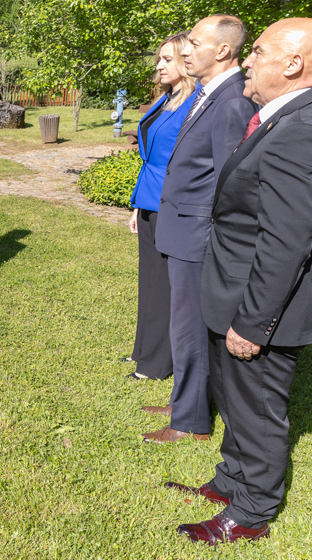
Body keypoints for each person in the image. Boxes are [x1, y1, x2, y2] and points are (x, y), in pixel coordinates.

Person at [170, 18, 312, 545]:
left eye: (259, 51)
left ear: (292, 64)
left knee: (258, 411)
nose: (248, 59)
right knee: (235, 401)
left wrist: (253, 322)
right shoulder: (278, 118)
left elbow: (286, 242)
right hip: (233, 293)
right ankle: (231, 480)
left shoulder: (304, 130)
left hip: (260, 306)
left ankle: (251, 513)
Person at [142, 15, 253, 444]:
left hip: (196, 235)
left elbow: (232, 182)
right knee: (183, 326)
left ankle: (190, 421)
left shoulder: (232, 100)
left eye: (193, 43)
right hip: (181, 228)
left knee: (190, 328)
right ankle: (184, 401)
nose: (185, 51)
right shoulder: (211, 93)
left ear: (222, 50)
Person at [126, 33, 199, 381]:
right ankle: (144, 349)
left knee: (163, 285)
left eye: (167, 59)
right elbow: (152, 156)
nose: (159, 65)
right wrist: (137, 205)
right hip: (150, 199)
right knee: (150, 281)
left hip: (172, 202)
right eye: (159, 59)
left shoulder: (196, 103)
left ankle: (156, 364)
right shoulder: (166, 98)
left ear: (187, 60)